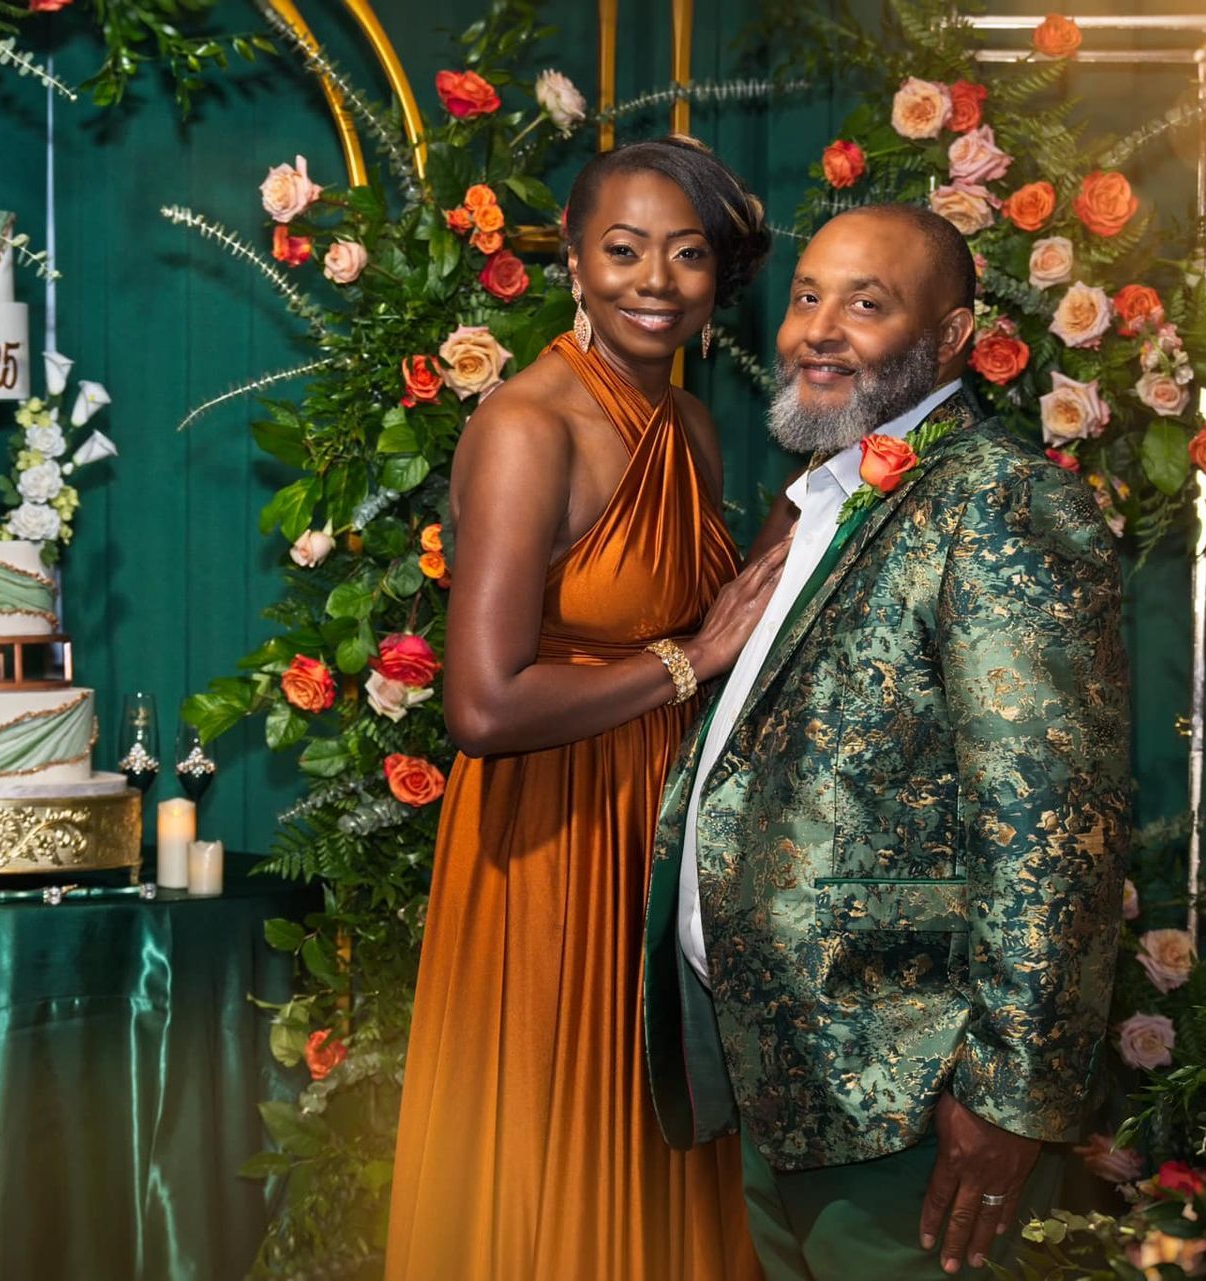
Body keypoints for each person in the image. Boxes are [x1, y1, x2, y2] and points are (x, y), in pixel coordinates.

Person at [640, 204, 1132, 1279]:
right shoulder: (823, 498)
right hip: (794, 1087)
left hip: (916, 1111)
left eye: (867, 304)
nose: (820, 328)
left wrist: (1010, 1100)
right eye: (808, 296)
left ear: (952, 339)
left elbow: (1055, 831)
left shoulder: (1002, 503)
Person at [384, 136, 778, 1281]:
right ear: (571, 259)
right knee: (561, 1149)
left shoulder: (692, 427)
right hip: (552, 839)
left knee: (659, 1142)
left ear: (719, 280)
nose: (654, 279)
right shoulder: (527, 427)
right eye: (622, 249)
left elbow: (704, 618)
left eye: (687, 254)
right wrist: (689, 662)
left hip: (659, 827)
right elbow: (483, 704)